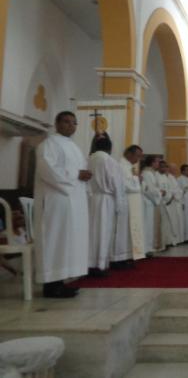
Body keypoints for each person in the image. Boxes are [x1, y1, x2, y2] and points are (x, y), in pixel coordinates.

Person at [34, 111, 92, 298]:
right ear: (57, 123)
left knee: (66, 241)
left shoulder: (73, 146)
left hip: (72, 201)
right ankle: (51, 285)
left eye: (74, 123)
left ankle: (61, 281)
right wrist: (77, 175)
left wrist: (83, 176)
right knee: (55, 240)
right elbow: (47, 169)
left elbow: (77, 171)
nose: (71, 125)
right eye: (66, 122)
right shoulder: (48, 144)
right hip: (56, 200)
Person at [88, 136, 123, 277]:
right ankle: (100, 265)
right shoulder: (109, 160)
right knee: (103, 232)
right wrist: (120, 204)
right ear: (109, 148)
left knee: (92, 233)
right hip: (106, 200)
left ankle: (89, 264)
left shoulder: (89, 159)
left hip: (92, 199)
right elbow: (116, 184)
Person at [112, 144, 145, 268]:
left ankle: (126, 257)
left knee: (128, 232)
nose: (138, 159)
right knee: (122, 231)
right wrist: (137, 180)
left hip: (131, 205)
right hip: (125, 203)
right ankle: (118, 259)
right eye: (137, 156)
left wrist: (136, 179)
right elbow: (125, 185)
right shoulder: (121, 166)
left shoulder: (129, 166)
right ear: (129, 154)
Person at [141, 155, 163, 254]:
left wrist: (158, 192)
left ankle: (150, 247)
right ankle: (147, 248)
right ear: (152, 162)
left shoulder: (152, 173)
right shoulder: (147, 173)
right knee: (148, 225)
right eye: (157, 162)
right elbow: (149, 189)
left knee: (150, 225)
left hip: (152, 202)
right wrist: (159, 193)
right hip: (148, 202)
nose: (158, 164)